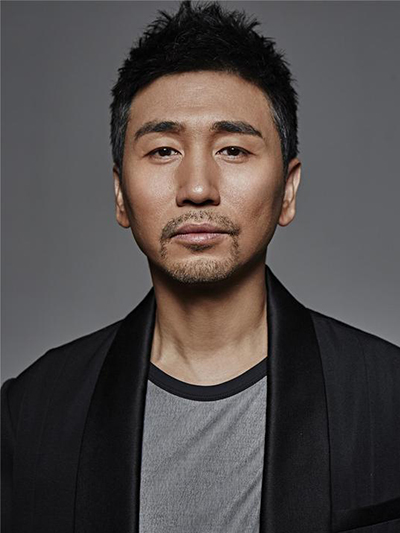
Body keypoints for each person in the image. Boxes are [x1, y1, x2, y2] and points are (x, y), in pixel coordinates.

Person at [2, 1, 400, 532]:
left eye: (232, 150)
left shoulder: (386, 398)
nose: (196, 188)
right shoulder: (34, 411)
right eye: (163, 151)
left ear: (287, 190)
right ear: (120, 194)